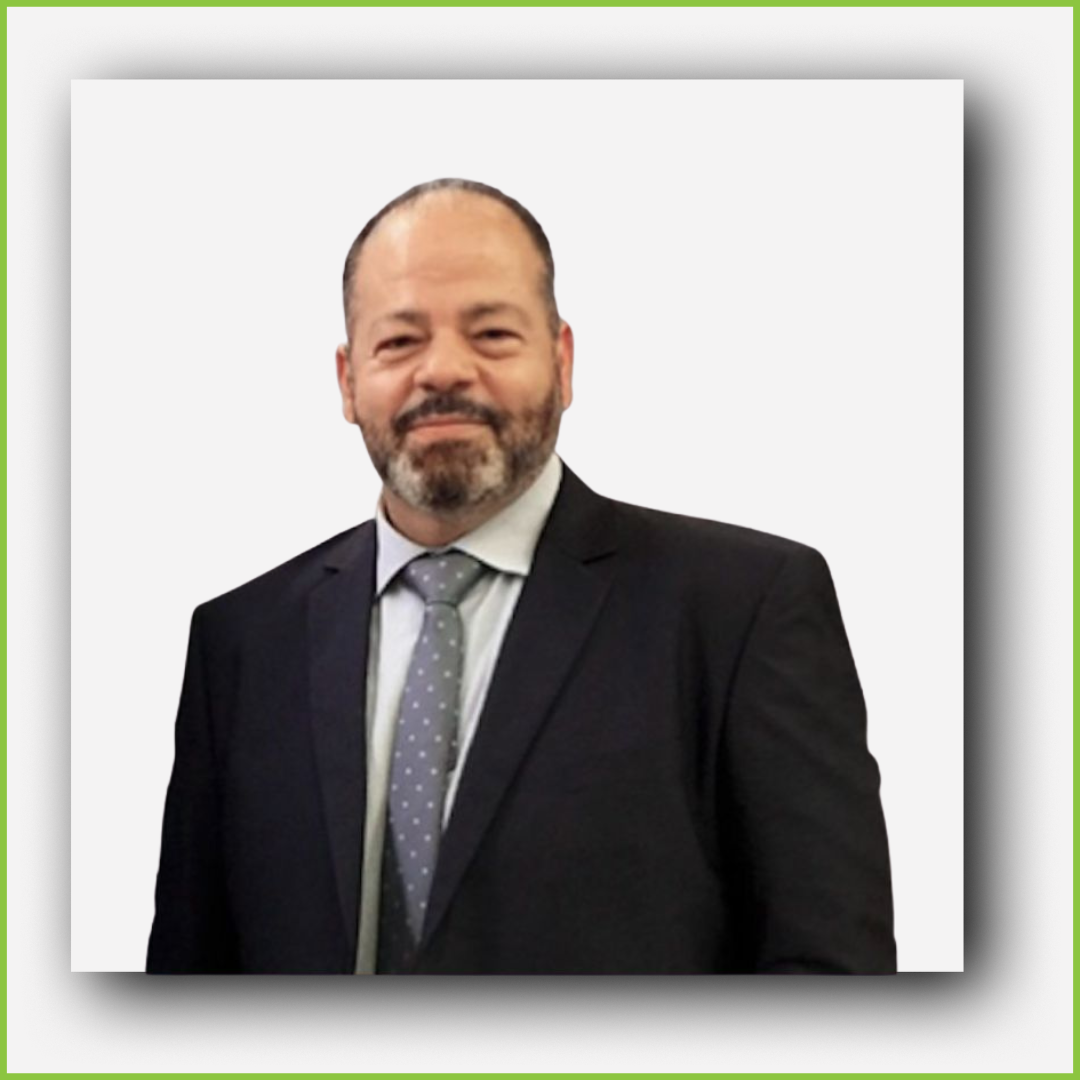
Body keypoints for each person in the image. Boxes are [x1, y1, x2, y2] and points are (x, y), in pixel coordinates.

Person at [147, 178, 896, 974]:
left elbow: (830, 983)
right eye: (398, 341)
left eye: (493, 334)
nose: (443, 370)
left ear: (563, 361)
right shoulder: (242, 644)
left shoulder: (741, 613)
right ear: (346, 380)